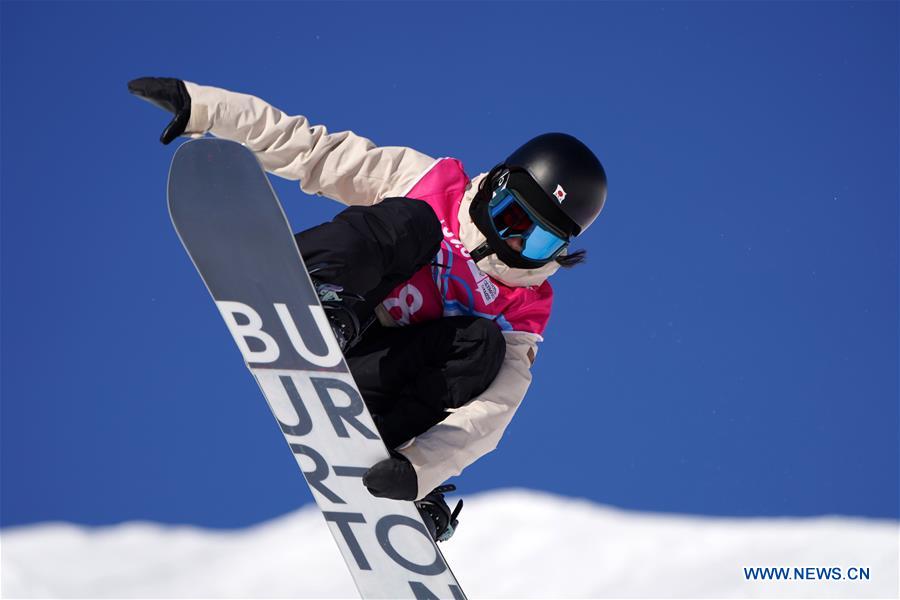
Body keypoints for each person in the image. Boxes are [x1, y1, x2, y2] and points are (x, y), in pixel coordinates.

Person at [129, 77, 608, 541]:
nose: (514, 239)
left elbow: (489, 415)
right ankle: (319, 299)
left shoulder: (522, 310)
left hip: (374, 383)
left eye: (538, 239)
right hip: (340, 311)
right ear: (494, 185)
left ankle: (382, 449)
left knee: (483, 347)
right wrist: (207, 109)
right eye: (512, 216)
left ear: (559, 251)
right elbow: (315, 151)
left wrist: (418, 473)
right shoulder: (431, 183)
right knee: (413, 220)